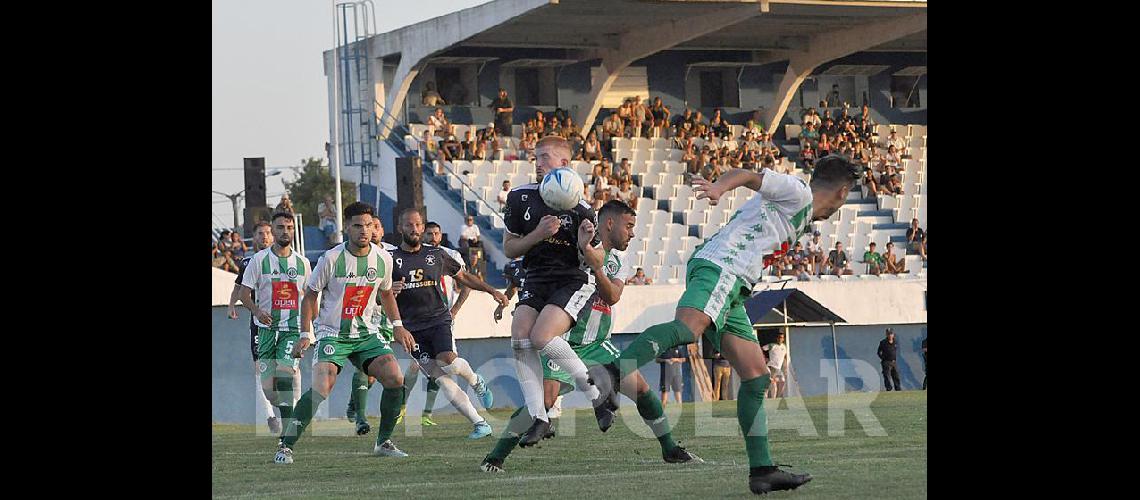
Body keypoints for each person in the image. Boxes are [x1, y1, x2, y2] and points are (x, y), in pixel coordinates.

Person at [612, 155, 861, 494]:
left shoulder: (799, 210)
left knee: (757, 377)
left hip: (734, 286)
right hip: (722, 267)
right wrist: (718, 188)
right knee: (687, 329)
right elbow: (749, 175)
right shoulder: (799, 192)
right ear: (843, 192)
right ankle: (611, 374)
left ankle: (762, 470)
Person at [481, 200, 700, 472]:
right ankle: (495, 458)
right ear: (609, 223)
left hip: (597, 343)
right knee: (542, 401)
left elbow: (613, 296)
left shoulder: (619, 259)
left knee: (642, 389)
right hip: (562, 342)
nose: (633, 233)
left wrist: (597, 267)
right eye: (629, 226)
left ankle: (670, 448)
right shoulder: (573, 244)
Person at [274, 202, 416, 464]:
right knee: (321, 388)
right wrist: (306, 333)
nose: (364, 231)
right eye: (358, 226)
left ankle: (383, 442)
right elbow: (310, 295)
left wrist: (398, 326)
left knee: (396, 378)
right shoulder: (331, 258)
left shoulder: (383, 258)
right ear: (346, 228)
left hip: (366, 333)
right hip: (332, 333)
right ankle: (285, 445)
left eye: (369, 225)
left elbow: (385, 293)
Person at [501, 135, 614, 446]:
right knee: (520, 339)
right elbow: (510, 249)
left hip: (572, 280)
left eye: (545, 157)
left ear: (564, 164)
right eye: (536, 157)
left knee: (541, 338)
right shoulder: (520, 198)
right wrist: (537, 234)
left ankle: (596, 393)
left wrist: (583, 245)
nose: (538, 163)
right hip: (536, 277)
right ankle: (539, 417)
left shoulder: (584, 210)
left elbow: (598, 259)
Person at [389, 209, 509, 439]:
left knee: (447, 362)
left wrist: (491, 290)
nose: (413, 229)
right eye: (408, 225)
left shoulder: (437, 255)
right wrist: (390, 293)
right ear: (400, 228)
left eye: (417, 224)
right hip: (412, 329)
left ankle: (476, 381)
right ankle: (480, 423)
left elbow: (463, 278)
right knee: (441, 379)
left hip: (438, 320)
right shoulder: (391, 259)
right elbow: (380, 295)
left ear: (423, 228)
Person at [237, 212, 311, 446]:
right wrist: (257, 311)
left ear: (293, 230)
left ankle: (287, 437)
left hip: (291, 329)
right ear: (274, 230)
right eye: (280, 227)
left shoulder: (303, 263)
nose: (285, 231)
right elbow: (244, 294)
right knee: (269, 390)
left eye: (289, 227)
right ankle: (290, 410)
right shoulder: (259, 260)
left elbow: (310, 298)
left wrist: (307, 332)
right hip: (265, 330)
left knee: (285, 375)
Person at [227, 220, 299, 434]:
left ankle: (292, 410)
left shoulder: (292, 260)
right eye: (260, 233)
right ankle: (270, 415)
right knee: (261, 369)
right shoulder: (250, 262)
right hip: (261, 324)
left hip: (288, 323)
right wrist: (232, 305)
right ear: (254, 236)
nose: (265, 237)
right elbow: (239, 288)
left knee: (290, 368)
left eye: (268, 232)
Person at [761, 333, 789, 399]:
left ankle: (775, 397)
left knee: (782, 381)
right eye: (779, 337)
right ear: (777, 338)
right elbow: (761, 349)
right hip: (771, 367)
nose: (780, 339)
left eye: (781, 338)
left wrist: (786, 367)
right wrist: (764, 358)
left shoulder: (784, 347)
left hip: (778, 369)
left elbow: (785, 356)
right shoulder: (772, 345)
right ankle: (767, 397)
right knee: (771, 383)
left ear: (783, 339)